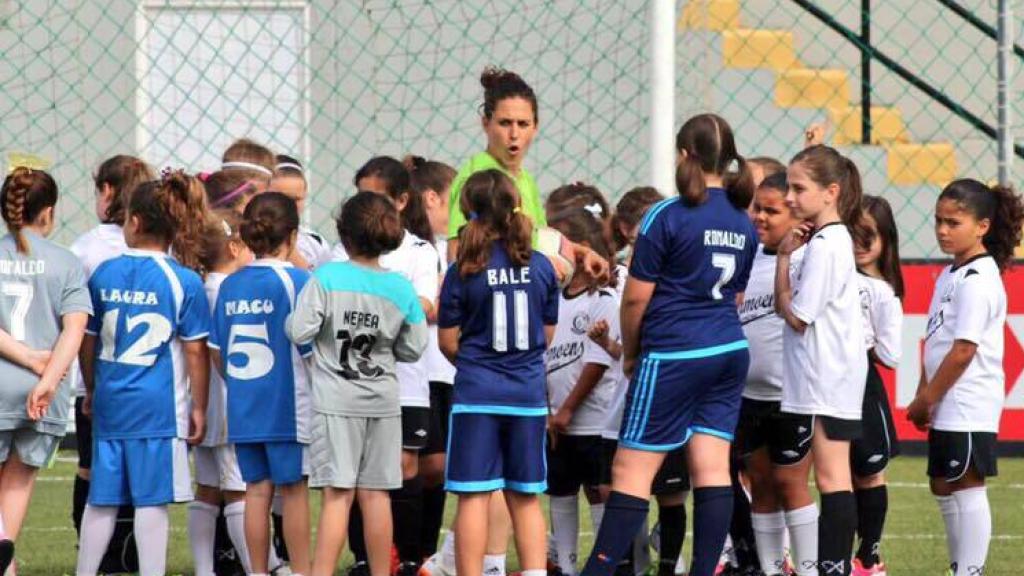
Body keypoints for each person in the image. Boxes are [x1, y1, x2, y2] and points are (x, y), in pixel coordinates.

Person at [581, 113, 757, 576]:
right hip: (728, 350)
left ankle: (598, 570)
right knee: (712, 468)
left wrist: (632, 353)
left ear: (684, 155)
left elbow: (636, 298)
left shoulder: (667, 214)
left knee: (630, 472)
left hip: (675, 353)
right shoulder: (743, 220)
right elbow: (736, 296)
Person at [76, 171, 211, 576]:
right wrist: (199, 407)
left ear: (133, 221)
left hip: (112, 404)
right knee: (151, 500)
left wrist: (92, 388)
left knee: (102, 498)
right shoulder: (183, 280)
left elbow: (88, 341)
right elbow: (195, 351)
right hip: (157, 410)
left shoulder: (103, 273)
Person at [287, 190, 428, 576]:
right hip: (382, 401)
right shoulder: (400, 287)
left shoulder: (326, 277)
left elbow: (299, 330)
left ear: (344, 234)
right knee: (377, 495)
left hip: (335, 402)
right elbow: (414, 347)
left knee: (338, 495)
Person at [437, 169, 559, 576]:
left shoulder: (462, 269)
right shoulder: (541, 266)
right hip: (527, 396)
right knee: (525, 497)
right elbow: (545, 335)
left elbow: (447, 341)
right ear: (515, 206)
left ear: (468, 210)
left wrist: (479, 365)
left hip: (477, 395)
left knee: (473, 495)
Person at [907, 179, 1024, 576]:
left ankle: (969, 571)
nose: (943, 230)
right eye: (938, 221)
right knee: (943, 482)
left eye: (953, 222)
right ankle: (959, 565)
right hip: (945, 399)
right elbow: (936, 340)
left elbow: (963, 351)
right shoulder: (950, 273)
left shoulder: (979, 279)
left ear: (982, 227)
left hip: (968, 400)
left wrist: (927, 399)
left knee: (966, 483)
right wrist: (924, 391)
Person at [333, 156, 441, 576]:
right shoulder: (339, 252)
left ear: (401, 201)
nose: (366, 206)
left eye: (375, 197)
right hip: (352, 381)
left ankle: (409, 556)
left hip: (406, 380)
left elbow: (426, 306)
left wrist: (369, 308)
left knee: (405, 466)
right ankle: (365, 558)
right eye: (360, 196)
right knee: (358, 471)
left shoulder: (418, 251)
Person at [772, 145, 867, 576]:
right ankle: (832, 567)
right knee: (833, 476)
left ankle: (832, 568)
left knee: (831, 478)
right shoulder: (825, 241)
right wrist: (787, 257)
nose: (789, 197)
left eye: (798, 188)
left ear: (831, 192)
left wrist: (784, 266)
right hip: (827, 376)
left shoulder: (828, 244)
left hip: (823, 377)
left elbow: (797, 316)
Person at [209, 192, 313, 576]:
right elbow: (310, 348)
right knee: (294, 491)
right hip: (287, 407)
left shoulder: (230, 285)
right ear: (293, 235)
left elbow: (218, 352)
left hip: (245, 405)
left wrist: (241, 386)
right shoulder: (298, 281)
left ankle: (257, 571)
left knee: (256, 490)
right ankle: (302, 571)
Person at [0, 168, 91, 572]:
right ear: (48, 212)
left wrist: (26, 356)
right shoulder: (66, 262)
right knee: (19, 481)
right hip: (44, 392)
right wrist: (48, 377)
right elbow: (75, 330)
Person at [68, 155, 155, 565]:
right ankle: (131, 553)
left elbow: (74, 319)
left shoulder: (84, 248)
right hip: (149, 382)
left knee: (92, 467)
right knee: (142, 473)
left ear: (106, 190)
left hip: (98, 378)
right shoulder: (160, 249)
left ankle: (95, 555)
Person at [736, 172, 804, 576]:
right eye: (757, 208)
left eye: (771, 210)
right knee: (760, 485)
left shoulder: (806, 258)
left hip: (790, 395)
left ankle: (805, 566)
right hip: (748, 395)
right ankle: (771, 568)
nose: (760, 217)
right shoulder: (748, 256)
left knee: (790, 486)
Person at [189, 211, 264, 575]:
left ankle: (205, 569)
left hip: (201, 403)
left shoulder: (201, 288)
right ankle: (257, 567)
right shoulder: (229, 291)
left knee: (206, 488)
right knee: (238, 490)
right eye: (249, 246)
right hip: (228, 403)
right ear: (234, 247)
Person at [544, 207, 618, 576]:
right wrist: (549, 412)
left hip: (593, 419)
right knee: (560, 490)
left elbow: (597, 361)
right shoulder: (551, 299)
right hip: (556, 419)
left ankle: (608, 566)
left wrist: (568, 410)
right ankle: (567, 566)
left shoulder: (602, 299)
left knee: (598, 489)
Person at [850, 196, 905, 576]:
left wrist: (861, 342)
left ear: (885, 239)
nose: (860, 242)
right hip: (824, 382)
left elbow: (891, 354)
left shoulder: (883, 292)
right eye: (853, 232)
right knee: (834, 474)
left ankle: (868, 558)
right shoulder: (833, 275)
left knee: (868, 471)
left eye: (869, 234)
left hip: (863, 386)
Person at [271, 154, 332, 269]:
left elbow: (321, 279)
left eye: (296, 199)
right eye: (281, 198)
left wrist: (293, 253)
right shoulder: (249, 241)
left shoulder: (315, 243)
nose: (289, 206)